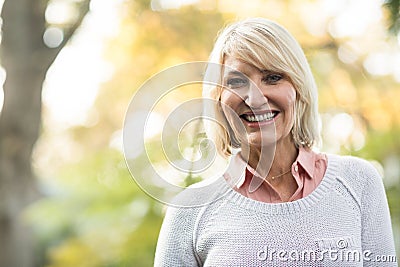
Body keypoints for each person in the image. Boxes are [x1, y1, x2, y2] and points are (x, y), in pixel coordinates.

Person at [154, 18, 397, 266]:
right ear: (219, 98)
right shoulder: (190, 209)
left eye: (272, 77)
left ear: (298, 89)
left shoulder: (358, 182)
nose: (255, 98)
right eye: (237, 81)